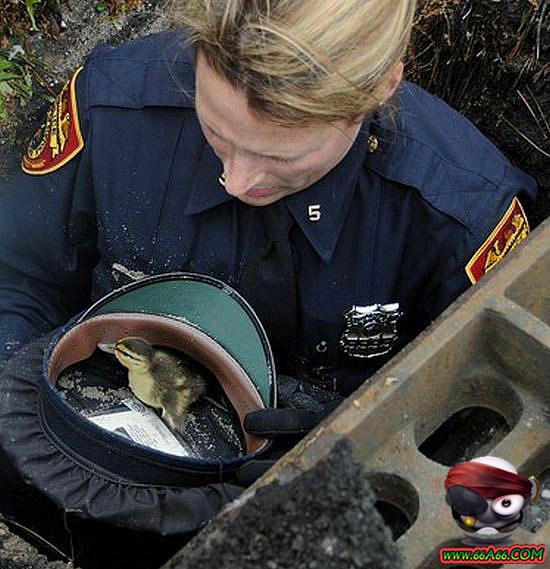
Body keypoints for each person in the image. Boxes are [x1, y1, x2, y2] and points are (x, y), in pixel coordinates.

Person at [0, 0, 537, 566]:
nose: (237, 179)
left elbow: (482, 441)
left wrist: (353, 443)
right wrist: (26, 388)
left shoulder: (459, 221)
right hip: (78, 451)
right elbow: (18, 272)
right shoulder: (116, 108)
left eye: (282, 158)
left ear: (380, 87)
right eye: (215, 131)